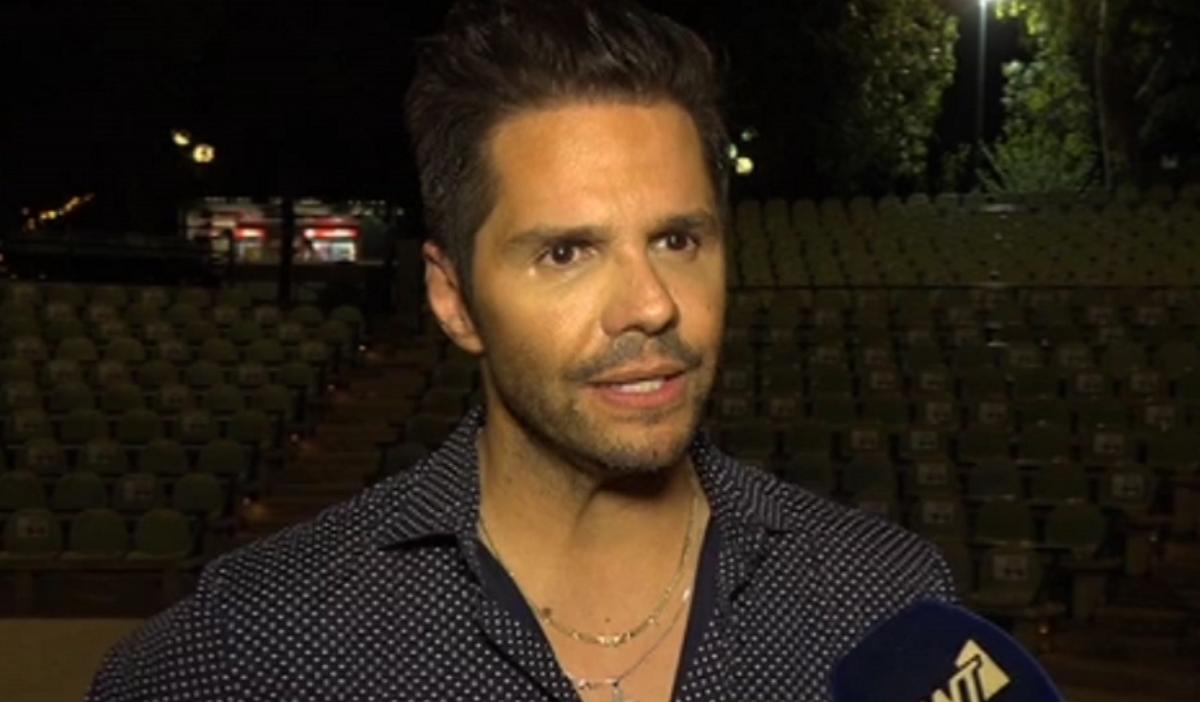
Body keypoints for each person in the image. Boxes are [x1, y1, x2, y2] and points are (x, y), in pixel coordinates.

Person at [88, 2, 956, 700]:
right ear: (454, 300)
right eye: (566, 252)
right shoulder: (257, 645)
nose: (651, 304)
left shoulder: (888, 606)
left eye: (678, 240)